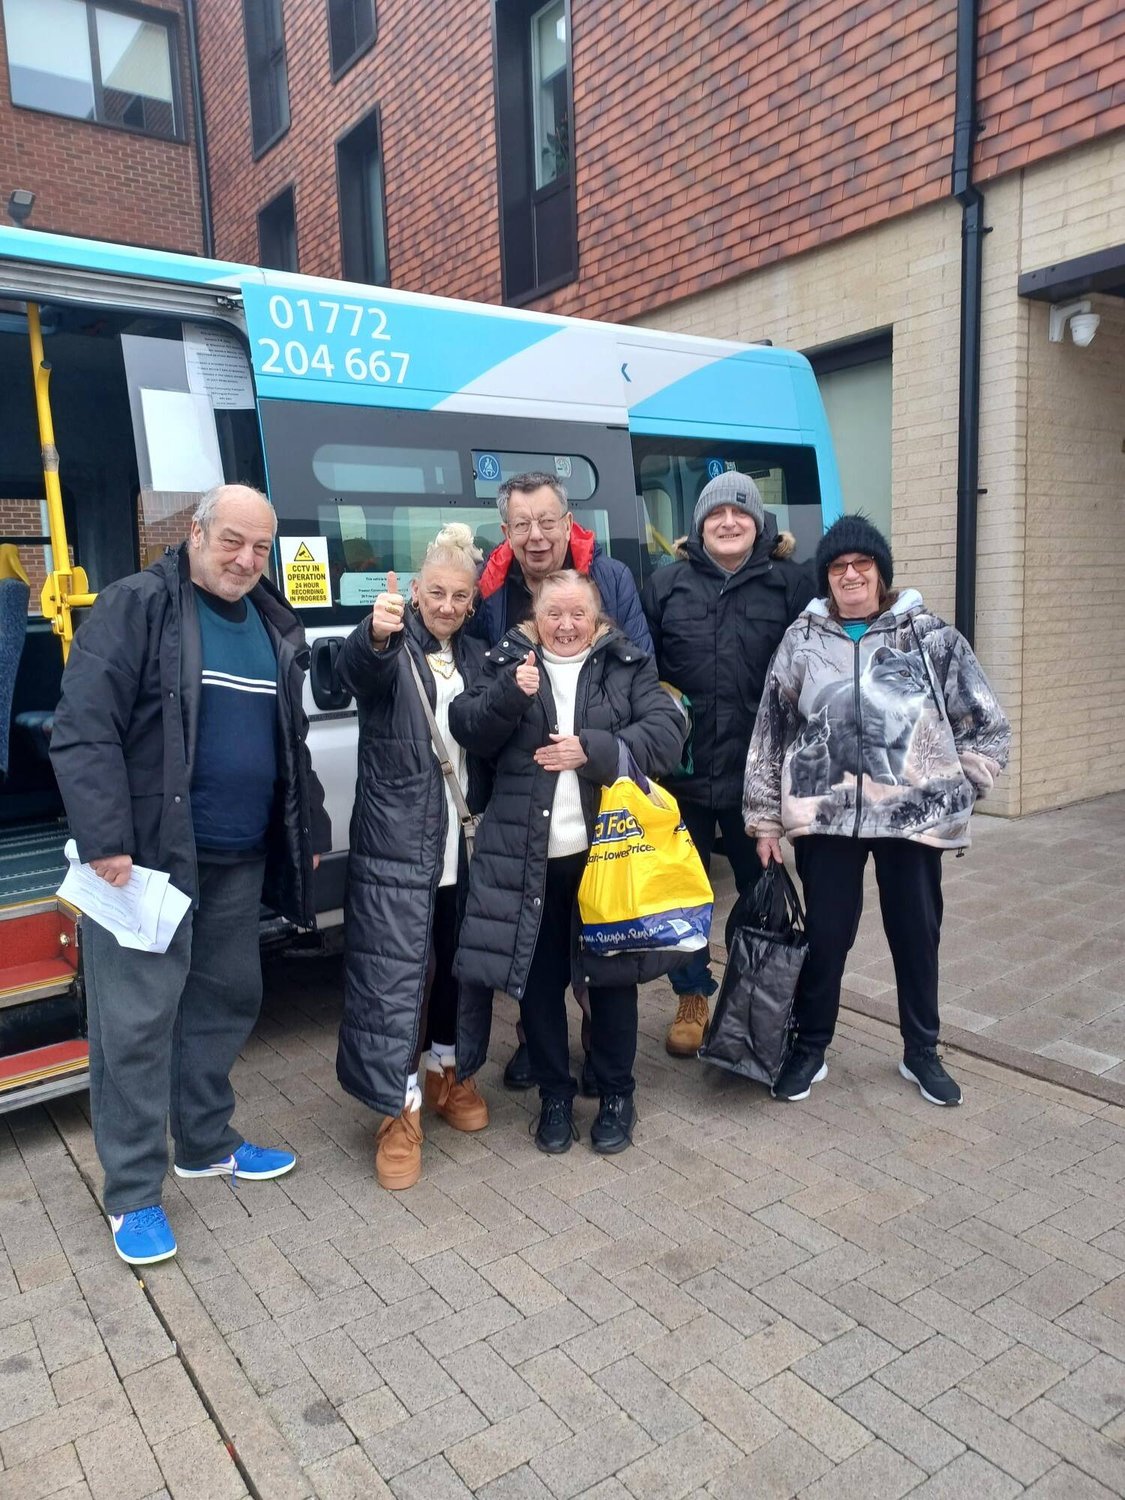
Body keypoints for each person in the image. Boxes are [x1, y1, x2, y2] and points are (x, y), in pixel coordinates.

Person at [50, 484, 330, 1266]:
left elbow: (288, 740)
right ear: (196, 532)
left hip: (238, 859)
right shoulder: (138, 605)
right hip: (145, 864)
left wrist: (305, 822)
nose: (246, 559)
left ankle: (204, 1143)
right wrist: (105, 838)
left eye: (260, 547)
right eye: (231, 541)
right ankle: (133, 1194)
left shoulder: (272, 621)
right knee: (135, 1027)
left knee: (224, 1001)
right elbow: (84, 731)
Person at [743, 514, 1010, 1107]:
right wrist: (764, 817)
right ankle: (811, 1049)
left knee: (915, 935)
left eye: (862, 565)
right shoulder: (802, 641)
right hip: (827, 819)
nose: (851, 575)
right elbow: (770, 734)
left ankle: (922, 1051)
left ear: (881, 574)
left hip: (911, 821)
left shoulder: (930, 637)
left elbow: (985, 726)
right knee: (827, 938)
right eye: (839, 568)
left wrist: (957, 788)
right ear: (827, 579)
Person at [450, 570, 686, 1155]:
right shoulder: (508, 658)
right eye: (553, 612)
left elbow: (666, 734)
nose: (566, 624)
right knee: (538, 982)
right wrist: (511, 693)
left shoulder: (625, 662)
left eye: (578, 612)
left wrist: (596, 750)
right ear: (535, 613)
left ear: (597, 616)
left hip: (603, 856)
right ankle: (554, 1094)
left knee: (611, 981)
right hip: (526, 857)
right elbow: (467, 727)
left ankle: (615, 1092)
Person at [474, 471, 654, 1091]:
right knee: (539, 955)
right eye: (522, 524)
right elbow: (479, 693)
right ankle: (543, 1056)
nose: (536, 535)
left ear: (568, 521)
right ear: (506, 532)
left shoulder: (612, 579)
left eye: (547, 520)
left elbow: (640, 678)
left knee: (604, 959)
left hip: (603, 817)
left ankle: (606, 1070)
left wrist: (600, 748)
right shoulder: (490, 590)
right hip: (528, 814)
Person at [335, 524, 492, 1191]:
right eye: (436, 592)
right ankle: (396, 1111)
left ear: (473, 601)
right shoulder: (388, 649)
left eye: (460, 595)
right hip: (399, 848)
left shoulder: (483, 658)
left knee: (457, 968)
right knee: (398, 979)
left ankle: (446, 1075)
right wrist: (373, 632)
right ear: (416, 588)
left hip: (465, 843)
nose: (447, 605)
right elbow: (351, 671)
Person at [641, 470, 812, 1057]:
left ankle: (750, 997)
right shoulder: (665, 586)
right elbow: (644, 680)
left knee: (759, 891)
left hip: (754, 782)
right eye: (717, 514)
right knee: (680, 894)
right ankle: (692, 994)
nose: (729, 522)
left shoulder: (791, 585)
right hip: (679, 777)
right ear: (700, 525)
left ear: (759, 523)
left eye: (741, 513)